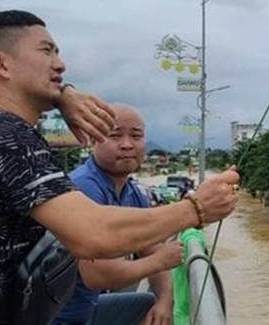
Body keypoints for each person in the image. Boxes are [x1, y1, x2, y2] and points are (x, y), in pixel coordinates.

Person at [0, 10, 239, 324]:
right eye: (46, 51)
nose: (60, 64)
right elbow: (93, 234)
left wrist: (61, 96)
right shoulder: (4, 133)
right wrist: (197, 208)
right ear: (1, 63)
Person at [54, 104, 178, 325]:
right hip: (61, 317)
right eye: (115, 136)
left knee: (153, 306)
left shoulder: (133, 193)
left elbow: (151, 248)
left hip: (89, 309)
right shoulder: (84, 186)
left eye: (136, 136)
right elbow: (97, 275)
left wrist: (166, 300)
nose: (127, 145)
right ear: (94, 140)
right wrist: (160, 261)